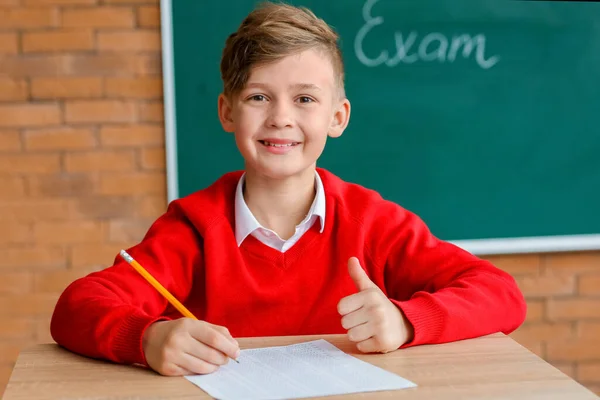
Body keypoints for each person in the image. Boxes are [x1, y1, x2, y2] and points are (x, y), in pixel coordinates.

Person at [50, 1, 526, 377]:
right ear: (227, 112)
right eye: (259, 97)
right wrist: (146, 338)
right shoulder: (192, 228)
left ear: (337, 117)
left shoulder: (373, 223)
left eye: (304, 99)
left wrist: (405, 321)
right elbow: (76, 306)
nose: (281, 117)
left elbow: (500, 293)